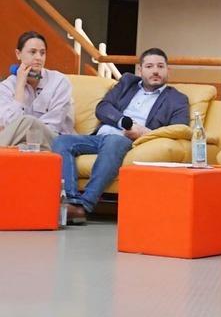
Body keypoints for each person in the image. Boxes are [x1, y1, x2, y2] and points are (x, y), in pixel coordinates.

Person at [52, 48, 189, 224]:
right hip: (101, 135)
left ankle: (83, 206)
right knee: (62, 141)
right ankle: (69, 201)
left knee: (114, 141)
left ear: (168, 71)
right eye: (149, 66)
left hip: (130, 140)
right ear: (140, 70)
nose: (155, 70)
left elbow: (180, 129)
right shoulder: (127, 83)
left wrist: (144, 133)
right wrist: (124, 122)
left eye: (160, 66)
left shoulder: (177, 99)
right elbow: (103, 108)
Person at [0, 31, 74, 150]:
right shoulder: (6, 87)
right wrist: (20, 85)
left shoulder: (59, 82)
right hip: (23, 143)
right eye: (32, 52)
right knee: (21, 147)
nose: (38, 58)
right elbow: (9, 124)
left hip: (55, 140)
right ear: (18, 54)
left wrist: (25, 127)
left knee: (28, 121)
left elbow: (54, 125)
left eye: (42, 53)